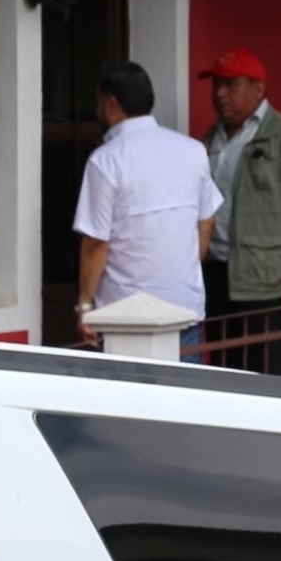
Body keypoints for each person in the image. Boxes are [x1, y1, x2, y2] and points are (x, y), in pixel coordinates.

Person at [73, 62, 222, 361]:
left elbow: (95, 244)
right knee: (181, 400)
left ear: (111, 103)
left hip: (125, 315)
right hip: (184, 306)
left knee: (130, 404)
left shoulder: (106, 161)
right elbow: (206, 217)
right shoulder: (192, 150)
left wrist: (85, 306)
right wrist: (189, 262)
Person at [199, 47, 281, 376]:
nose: (220, 94)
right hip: (216, 272)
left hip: (267, 279)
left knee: (267, 372)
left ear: (258, 89)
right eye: (216, 85)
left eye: (230, 84)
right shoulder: (211, 139)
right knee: (225, 370)